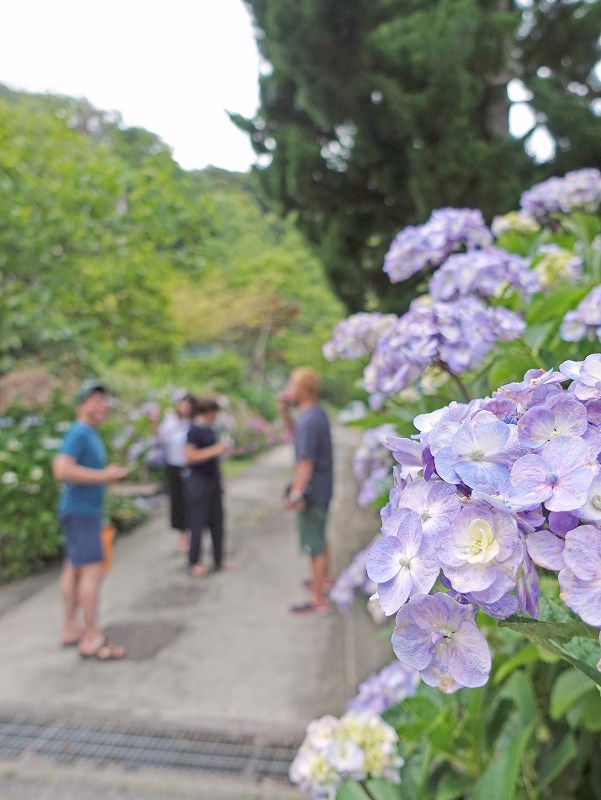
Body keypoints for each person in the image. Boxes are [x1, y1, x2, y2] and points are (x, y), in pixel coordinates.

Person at [52, 381, 129, 660]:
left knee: (73, 569)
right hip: (82, 513)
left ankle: (71, 628)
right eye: (95, 400)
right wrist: (104, 476)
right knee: (91, 572)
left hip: (80, 512)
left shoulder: (87, 434)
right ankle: (91, 635)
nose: (102, 405)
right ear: (81, 406)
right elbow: (62, 469)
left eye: (104, 400)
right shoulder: (80, 433)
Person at [278, 367, 335, 614]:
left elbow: (305, 461)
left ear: (304, 389)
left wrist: (296, 493)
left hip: (313, 490)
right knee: (319, 535)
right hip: (323, 487)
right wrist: (284, 413)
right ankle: (324, 580)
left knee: (314, 543)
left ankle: (317, 598)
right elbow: (296, 436)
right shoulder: (313, 415)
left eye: (292, 385)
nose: (289, 390)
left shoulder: (310, 420)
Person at [185, 397, 230, 577]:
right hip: (199, 483)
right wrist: (216, 450)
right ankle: (193, 561)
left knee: (217, 522)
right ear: (208, 411)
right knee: (197, 522)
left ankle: (218, 560)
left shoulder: (211, 430)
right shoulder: (193, 430)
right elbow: (189, 456)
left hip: (213, 481)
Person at [150, 393, 196, 553]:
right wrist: (155, 424)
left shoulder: (195, 424)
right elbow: (161, 439)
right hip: (175, 467)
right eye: (182, 404)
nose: (184, 407)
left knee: (194, 502)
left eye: (187, 404)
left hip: (193, 468)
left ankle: (195, 535)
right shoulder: (171, 421)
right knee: (178, 503)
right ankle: (184, 539)